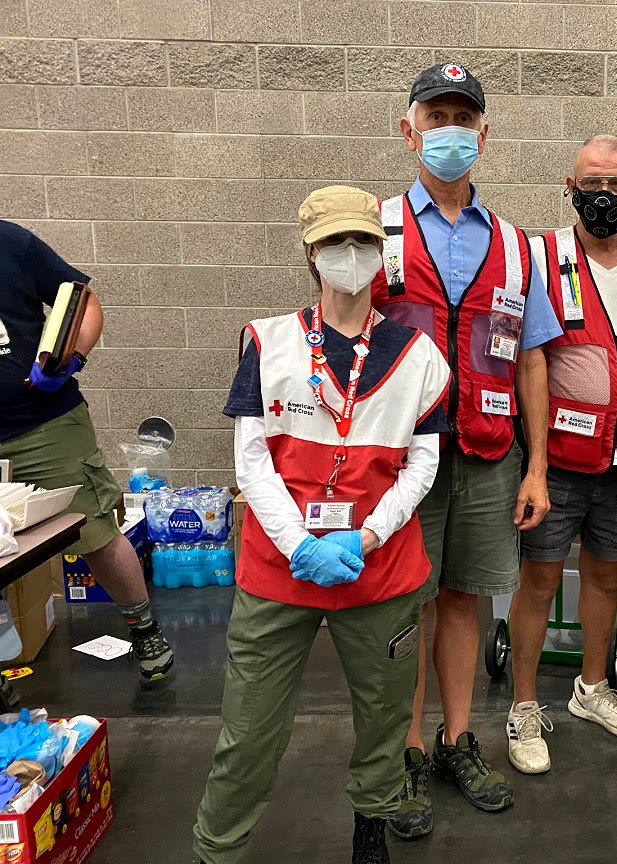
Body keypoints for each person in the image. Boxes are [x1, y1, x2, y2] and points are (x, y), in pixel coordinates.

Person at [192, 185, 450, 864]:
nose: (350, 255)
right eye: (336, 242)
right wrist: (301, 544)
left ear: (381, 252)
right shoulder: (268, 342)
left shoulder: (418, 356)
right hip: (280, 572)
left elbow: (421, 469)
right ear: (310, 252)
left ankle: (374, 819)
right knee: (247, 731)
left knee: (386, 717)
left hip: (381, 568)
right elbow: (252, 462)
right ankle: (216, 850)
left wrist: (362, 537)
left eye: (363, 241)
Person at [370, 63, 560, 836]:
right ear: (407, 128)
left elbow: (533, 358)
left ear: (484, 134)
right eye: (435, 114)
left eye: (463, 117)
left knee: (463, 599)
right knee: (407, 604)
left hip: (488, 452)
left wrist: (539, 465)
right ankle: (408, 750)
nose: (450, 129)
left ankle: (456, 739)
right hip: (399, 457)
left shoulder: (517, 247)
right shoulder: (374, 227)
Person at [506, 135, 617, 775]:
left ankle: (592, 688)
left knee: (607, 577)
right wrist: (536, 466)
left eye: (615, 186)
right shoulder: (541, 256)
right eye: (591, 183)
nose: (602, 196)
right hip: (559, 460)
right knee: (540, 579)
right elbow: (530, 361)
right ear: (570, 188)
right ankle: (524, 706)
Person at [0, 220, 173, 681]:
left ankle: (143, 627)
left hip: (44, 422)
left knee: (92, 530)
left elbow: (83, 300)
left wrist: (69, 359)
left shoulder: (9, 242)